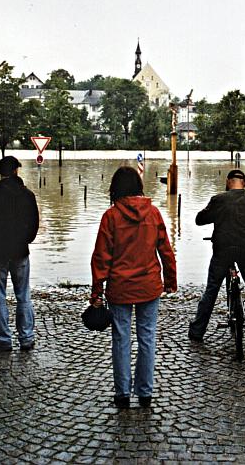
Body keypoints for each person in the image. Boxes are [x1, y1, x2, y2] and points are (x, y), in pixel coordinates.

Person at [90, 167, 177, 409]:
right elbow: (166, 250)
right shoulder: (154, 213)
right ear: (139, 186)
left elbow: (100, 257)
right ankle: (145, 392)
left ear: (115, 189)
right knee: (147, 337)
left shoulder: (111, 216)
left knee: (121, 339)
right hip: (149, 286)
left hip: (120, 287)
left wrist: (96, 291)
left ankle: (122, 393)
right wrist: (170, 280)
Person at [189, 169, 245, 347]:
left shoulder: (219, 199)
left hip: (222, 251)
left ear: (229, 182)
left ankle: (197, 331)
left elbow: (200, 220)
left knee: (212, 289)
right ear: (244, 183)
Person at [0, 156, 39, 352]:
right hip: (20, 252)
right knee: (23, 295)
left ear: (0, 173)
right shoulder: (27, 195)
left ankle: (2, 338)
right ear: (16, 171)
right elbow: (34, 226)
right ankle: (26, 337)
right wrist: (25, 240)